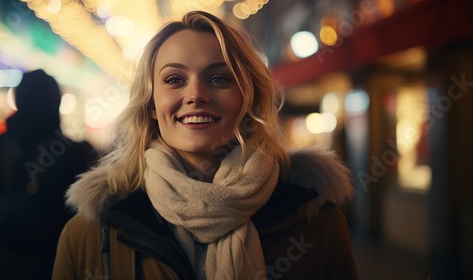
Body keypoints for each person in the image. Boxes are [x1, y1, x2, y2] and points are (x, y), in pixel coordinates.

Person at [53, 11, 359, 280]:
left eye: (218, 78)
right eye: (174, 79)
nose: (196, 94)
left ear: (247, 98)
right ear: (151, 104)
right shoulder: (89, 235)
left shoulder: (319, 225)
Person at [0, 69, 96, 280]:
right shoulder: (75, 154)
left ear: (19, 100)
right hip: (54, 265)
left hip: (0, 264)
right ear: (55, 103)